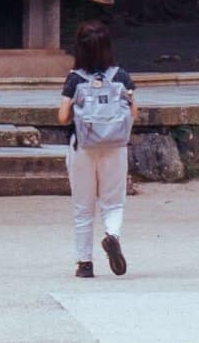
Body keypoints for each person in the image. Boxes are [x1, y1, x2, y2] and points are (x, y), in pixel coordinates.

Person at [59, 20, 135, 279]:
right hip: (115, 146)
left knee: (83, 207)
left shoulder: (74, 78)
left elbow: (62, 116)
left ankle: (84, 264)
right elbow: (134, 112)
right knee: (113, 202)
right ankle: (112, 235)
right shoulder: (121, 77)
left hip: (83, 147)